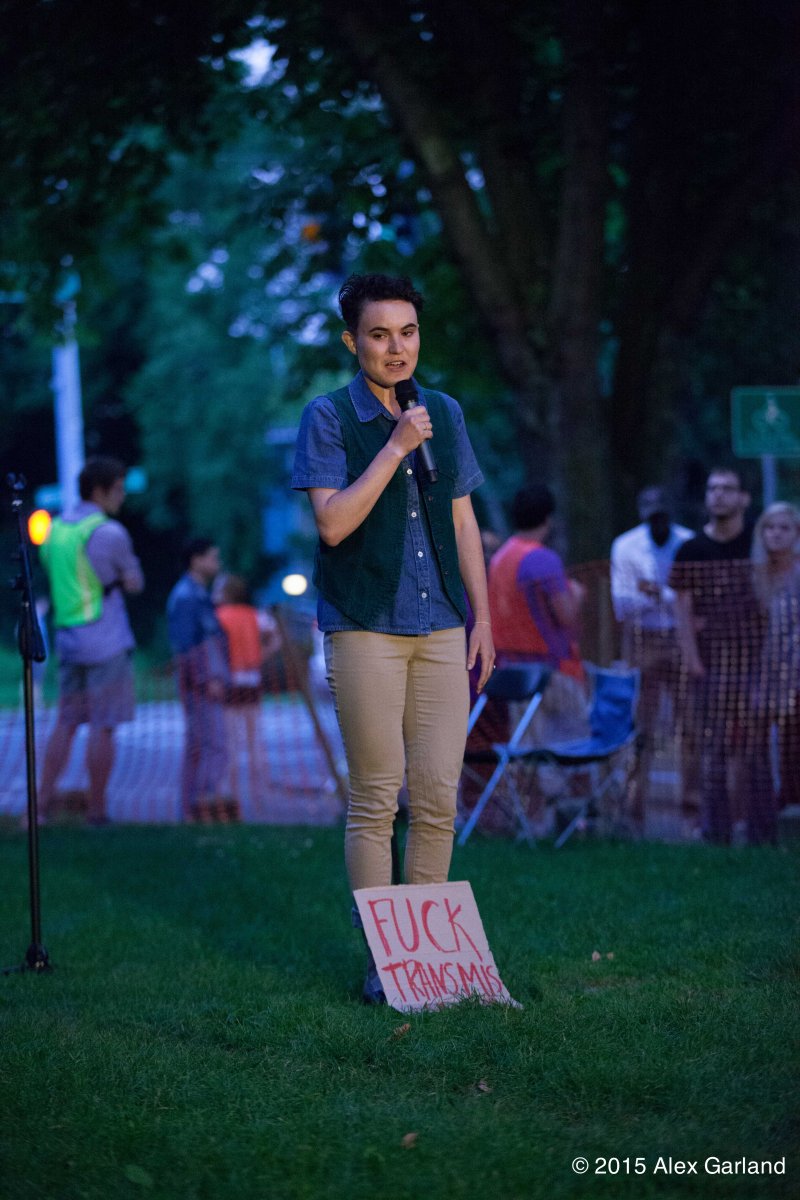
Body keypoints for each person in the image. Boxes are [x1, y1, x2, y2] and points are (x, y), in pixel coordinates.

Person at [291, 272, 494, 1004]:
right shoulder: (327, 417)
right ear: (353, 342)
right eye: (379, 335)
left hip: (441, 623)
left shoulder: (444, 411)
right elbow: (333, 524)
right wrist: (396, 446)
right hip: (365, 624)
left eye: (407, 332)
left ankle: (429, 961)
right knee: (378, 796)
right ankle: (387, 960)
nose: (396, 347)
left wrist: (483, 618)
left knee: (438, 795)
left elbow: (464, 520)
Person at [669, 467, 775, 843]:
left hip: (756, 663)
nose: (718, 495)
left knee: (756, 747)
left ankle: (762, 830)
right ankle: (716, 831)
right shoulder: (691, 550)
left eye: (728, 489)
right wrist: (692, 658)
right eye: (713, 489)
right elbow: (681, 610)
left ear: (744, 498)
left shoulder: (759, 546)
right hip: (711, 664)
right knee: (713, 748)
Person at [38, 456, 144, 825]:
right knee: (104, 725)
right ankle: (97, 811)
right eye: (118, 489)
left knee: (66, 723)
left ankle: (40, 808)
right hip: (106, 639)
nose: (122, 496)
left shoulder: (55, 530)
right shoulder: (109, 532)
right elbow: (134, 582)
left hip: (68, 638)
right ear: (99, 490)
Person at [610, 486, 693, 821]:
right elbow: (622, 604)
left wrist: (657, 592)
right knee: (641, 724)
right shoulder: (626, 546)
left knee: (689, 723)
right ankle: (635, 802)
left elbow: (692, 600)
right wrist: (668, 596)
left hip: (681, 638)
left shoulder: (688, 542)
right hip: (642, 640)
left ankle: (691, 804)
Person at [167, 538, 233, 824]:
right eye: (212, 557)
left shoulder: (197, 594)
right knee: (212, 745)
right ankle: (201, 804)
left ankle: (192, 809)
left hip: (203, 682)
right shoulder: (187, 597)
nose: (217, 563)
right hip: (200, 685)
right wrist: (208, 679)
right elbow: (187, 646)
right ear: (196, 560)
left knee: (201, 745)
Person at [214, 574, 281, 812]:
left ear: (227, 593)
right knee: (255, 740)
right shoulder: (255, 615)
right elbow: (276, 639)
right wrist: (260, 655)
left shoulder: (219, 616)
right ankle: (259, 794)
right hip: (251, 679)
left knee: (231, 741)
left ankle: (232, 795)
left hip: (229, 680)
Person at [751, 502, 800, 811]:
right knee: (774, 741)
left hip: (796, 671)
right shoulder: (755, 576)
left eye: (785, 528)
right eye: (770, 527)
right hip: (765, 674)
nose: (777, 534)